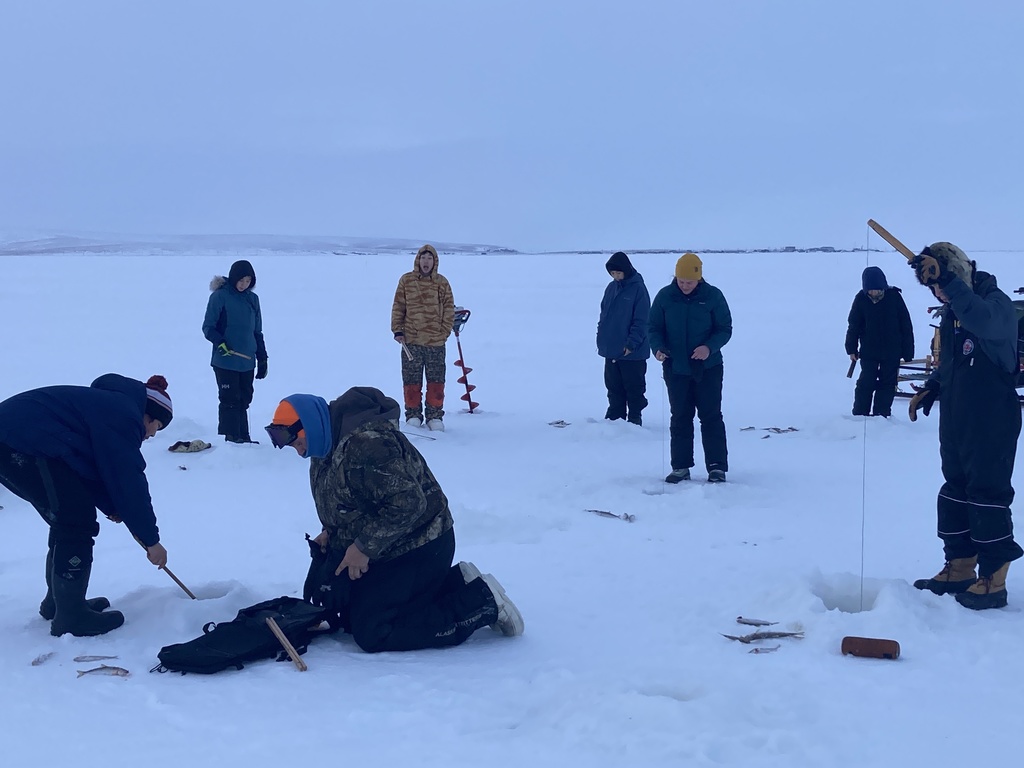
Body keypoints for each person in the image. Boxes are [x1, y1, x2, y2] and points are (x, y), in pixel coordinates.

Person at [264, 386, 524, 652]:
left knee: (374, 631)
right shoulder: (324, 446)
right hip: (390, 543)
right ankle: (454, 583)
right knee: (344, 612)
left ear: (309, 425)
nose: (299, 452)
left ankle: (481, 602)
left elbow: (408, 504)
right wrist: (331, 531)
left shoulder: (368, 444)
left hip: (421, 542)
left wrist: (363, 547)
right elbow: (349, 497)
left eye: (297, 443)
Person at [0, 374, 172, 636]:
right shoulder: (123, 413)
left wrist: (112, 507)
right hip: (22, 442)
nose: (151, 435)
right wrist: (151, 540)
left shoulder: (109, 406)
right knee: (75, 521)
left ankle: (60, 603)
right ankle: (71, 617)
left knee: (68, 517)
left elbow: (85, 466)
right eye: (156, 427)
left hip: (19, 439)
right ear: (148, 415)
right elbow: (127, 478)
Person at [908, 243, 1023, 609]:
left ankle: (994, 578)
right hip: (957, 417)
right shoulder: (953, 310)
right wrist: (933, 386)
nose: (938, 294)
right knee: (955, 490)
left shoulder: (995, 304)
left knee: (986, 493)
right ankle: (959, 567)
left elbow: (983, 322)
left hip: (992, 418)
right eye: (932, 288)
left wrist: (952, 286)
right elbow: (953, 361)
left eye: (940, 284)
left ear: (957, 274)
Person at [648, 253, 733, 483]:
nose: (685, 286)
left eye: (689, 282)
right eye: (681, 281)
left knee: (711, 416)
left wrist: (709, 347)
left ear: (699, 278)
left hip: (708, 368)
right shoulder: (665, 297)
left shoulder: (713, 296)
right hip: (676, 368)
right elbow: (653, 327)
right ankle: (681, 467)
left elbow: (725, 328)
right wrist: (657, 347)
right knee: (680, 417)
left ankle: (717, 467)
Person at [202, 259, 268, 443]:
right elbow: (208, 327)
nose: (244, 284)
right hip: (225, 360)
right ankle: (231, 439)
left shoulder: (253, 299)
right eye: (241, 280)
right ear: (233, 278)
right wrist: (220, 342)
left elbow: (257, 331)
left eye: (248, 281)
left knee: (244, 399)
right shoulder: (220, 297)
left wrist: (262, 358)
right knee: (229, 399)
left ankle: (244, 437)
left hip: (246, 360)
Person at [391, 244, 455, 431]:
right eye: (423, 258)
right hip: (411, 341)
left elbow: (449, 309)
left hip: (436, 342)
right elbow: (398, 306)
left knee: (436, 381)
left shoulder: (441, 283)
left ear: (435, 262)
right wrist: (398, 330)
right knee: (412, 381)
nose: (426, 262)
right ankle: (413, 415)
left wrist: (444, 332)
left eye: (430, 258)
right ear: (417, 260)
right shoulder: (407, 281)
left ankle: (434, 416)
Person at [845, 266, 915, 417]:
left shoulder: (894, 297)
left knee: (887, 383)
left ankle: (882, 415)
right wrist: (851, 348)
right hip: (869, 351)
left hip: (892, 351)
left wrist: (908, 351)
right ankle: (860, 414)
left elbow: (906, 325)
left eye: (877, 289)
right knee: (866, 382)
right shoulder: (861, 299)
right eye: (871, 290)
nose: (874, 293)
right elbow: (854, 325)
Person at [597, 251, 651, 425]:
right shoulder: (611, 288)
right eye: (613, 274)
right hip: (611, 348)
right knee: (613, 387)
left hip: (632, 352)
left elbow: (642, 320)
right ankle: (614, 417)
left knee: (633, 387)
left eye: (618, 273)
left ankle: (635, 418)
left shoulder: (638, 289)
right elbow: (604, 315)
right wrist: (601, 338)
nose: (616, 277)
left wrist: (631, 343)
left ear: (626, 270)